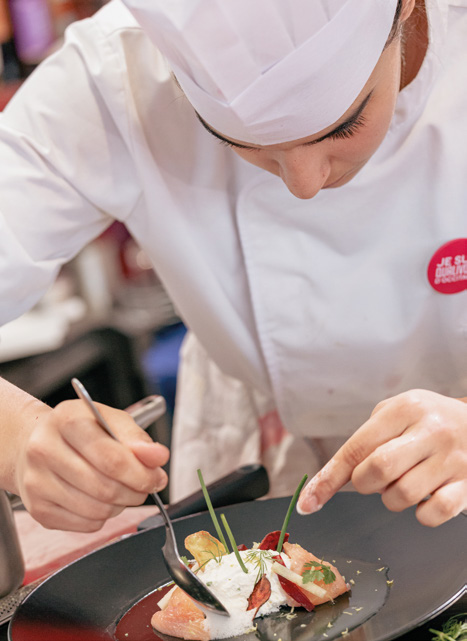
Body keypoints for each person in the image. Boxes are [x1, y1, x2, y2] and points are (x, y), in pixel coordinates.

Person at [0, 0, 465, 533]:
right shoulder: (117, 73)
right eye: (243, 144)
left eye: (345, 123)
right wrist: (17, 437)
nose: (304, 184)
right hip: (264, 473)